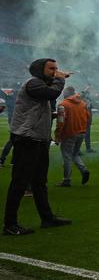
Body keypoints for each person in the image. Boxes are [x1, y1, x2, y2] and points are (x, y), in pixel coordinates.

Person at [3, 58, 72, 235]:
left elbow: (39, 108)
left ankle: (47, 218)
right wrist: (60, 78)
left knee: (40, 182)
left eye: (56, 68)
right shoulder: (33, 83)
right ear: (39, 70)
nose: (55, 71)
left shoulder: (40, 85)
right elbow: (51, 94)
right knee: (20, 181)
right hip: (27, 138)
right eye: (51, 68)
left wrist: (53, 115)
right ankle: (10, 224)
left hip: (39, 139)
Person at [54, 87, 91, 187]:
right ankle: (84, 170)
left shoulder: (63, 105)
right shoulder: (83, 103)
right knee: (74, 154)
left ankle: (67, 180)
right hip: (81, 132)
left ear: (65, 93)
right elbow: (88, 117)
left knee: (67, 157)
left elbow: (60, 122)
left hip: (69, 134)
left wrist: (57, 135)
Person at [0, 86, 17, 166]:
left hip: (14, 119)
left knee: (14, 140)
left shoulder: (10, 99)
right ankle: (5, 159)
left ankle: (12, 160)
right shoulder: (12, 99)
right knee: (14, 140)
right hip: (16, 119)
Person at [80, 89, 96, 154]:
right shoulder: (82, 101)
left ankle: (88, 148)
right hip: (82, 121)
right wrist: (85, 90)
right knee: (80, 135)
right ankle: (77, 150)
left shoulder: (89, 102)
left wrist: (90, 120)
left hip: (87, 121)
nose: (89, 95)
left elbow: (90, 111)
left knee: (87, 135)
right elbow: (81, 95)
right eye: (88, 94)